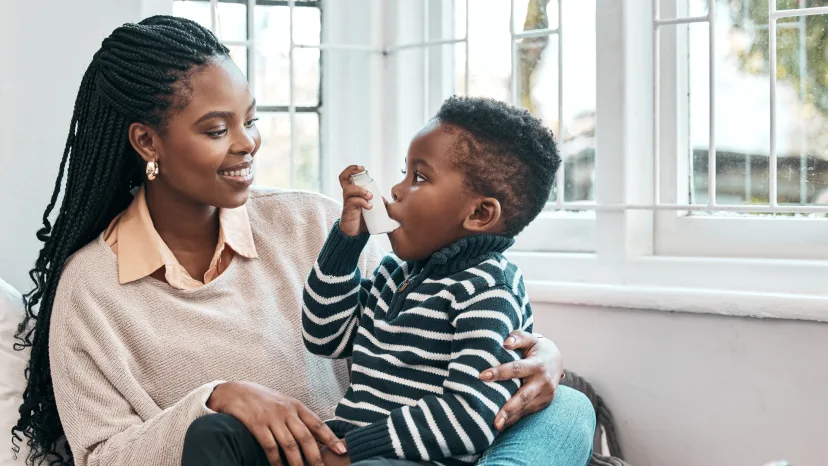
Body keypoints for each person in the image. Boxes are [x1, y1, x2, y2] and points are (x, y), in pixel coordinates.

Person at [10, 16, 594, 466]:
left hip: (382, 449)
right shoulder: (92, 290)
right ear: (147, 142)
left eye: (251, 120)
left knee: (569, 408)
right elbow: (100, 456)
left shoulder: (311, 221)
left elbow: (434, 320)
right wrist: (213, 399)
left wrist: (538, 358)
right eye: (218, 129)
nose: (248, 144)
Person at [298, 96, 564, 466]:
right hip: (352, 448)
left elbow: (471, 415)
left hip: (406, 459)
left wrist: (350, 453)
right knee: (223, 434)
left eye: (419, 177)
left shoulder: (488, 287)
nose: (395, 190)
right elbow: (325, 335)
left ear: (479, 213)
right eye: (404, 172)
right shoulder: (395, 273)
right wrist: (347, 244)